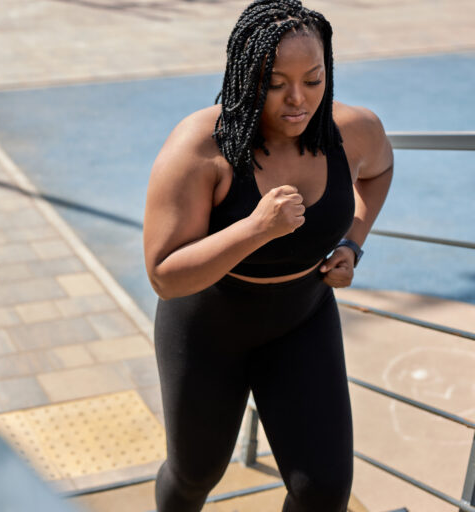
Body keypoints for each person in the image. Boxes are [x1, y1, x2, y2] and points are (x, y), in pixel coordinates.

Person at [142, 1, 394, 511]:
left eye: (314, 79)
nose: (298, 100)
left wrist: (352, 241)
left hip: (302, 319)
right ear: (243, 76)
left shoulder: (353, 131)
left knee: (323, 490)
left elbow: (379, 171)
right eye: (275, 83)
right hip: (207, 329)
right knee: (196, 474)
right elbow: (165, 275)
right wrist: (255, 228)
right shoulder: (200, 148)